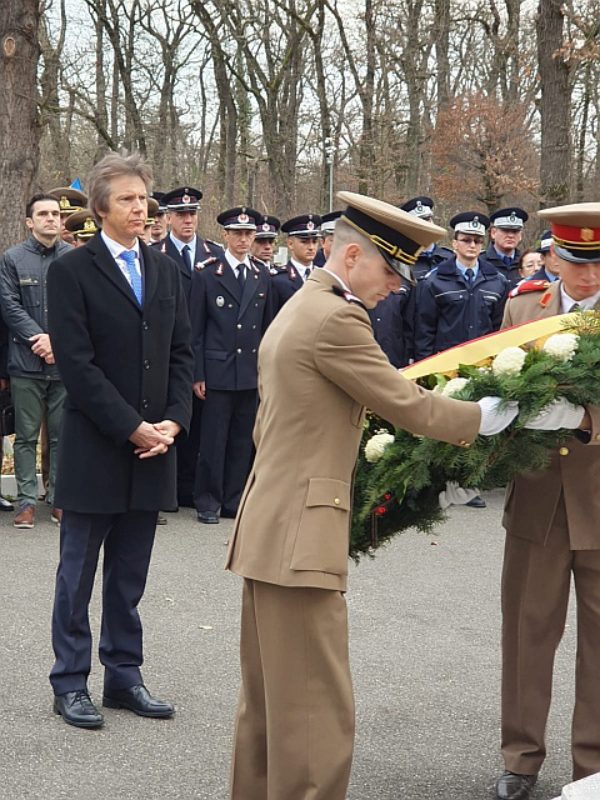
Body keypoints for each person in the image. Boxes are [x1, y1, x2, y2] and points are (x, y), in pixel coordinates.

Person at [226, 190, 519, 800]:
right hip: (300, 535)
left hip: (273, 526)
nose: (398, 287)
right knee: (314, 711)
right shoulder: (337, 316)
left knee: (271, 703)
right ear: (353, 255)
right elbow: (403, 401)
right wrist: (482, 418)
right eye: (391, 271)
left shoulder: (304, 304)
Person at [46, 153, 193, 730]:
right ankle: (70, 681)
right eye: (129, 199)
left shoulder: (163, 270)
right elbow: (77, 367)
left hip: (154, 447)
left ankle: (124, 676)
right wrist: (132, 426)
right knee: (77, 573)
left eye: (143, 199)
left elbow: (181, 353)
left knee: (130, 574)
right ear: (101, 207)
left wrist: (174, 424)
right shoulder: (72, 271)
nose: (141, 208)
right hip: (99, 445)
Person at [495, 202, 600, 800]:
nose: (585, 278)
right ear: (555, 254)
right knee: (526, 633)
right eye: (575, 262)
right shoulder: (524, 304)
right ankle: (520, 757)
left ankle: (593, 767)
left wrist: (586, 416)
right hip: (537, 496)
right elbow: (495, 383)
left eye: (597, 265)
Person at [191, 206, 274, 525]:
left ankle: (233, 498)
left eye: (248, 234)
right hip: (217, 370)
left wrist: (266, 372)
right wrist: (198, 373)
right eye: (237, 234)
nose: (243, 239)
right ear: (225, 236)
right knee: (213, 440)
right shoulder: (208, 273)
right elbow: (195, 330)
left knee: (242, 439)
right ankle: (208, 500)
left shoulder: (261, 273)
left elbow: (267, 331)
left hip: (249, 370)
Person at [0, 193, 71, 529]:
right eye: (43, 214)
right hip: (25, 362)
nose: (50, 219)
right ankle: (27, 501)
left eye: (55, 214)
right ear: (29, 222)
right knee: (26, 436)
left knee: (61, 435)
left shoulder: (73, 259)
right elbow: (9, 306)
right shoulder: (12, 259)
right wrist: (40, 339)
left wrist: (57, 340)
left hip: (64, 363)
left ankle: (59, 499)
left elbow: (79, 308)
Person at [153, 186, 221, 507]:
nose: (187, 220)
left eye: (192, 213)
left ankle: (193, 486)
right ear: (168, 218)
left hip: (205, 351)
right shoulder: (155, 254)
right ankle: (170, 489)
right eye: (180, 214)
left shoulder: (215, 254)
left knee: (202, 424)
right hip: (167, 352)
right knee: (171, 415)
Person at [413, 211, 509, 361]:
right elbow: (424, 330)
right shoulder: (434, 281)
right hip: (446, 362)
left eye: (477, 241)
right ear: (454, 243)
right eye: (466, 240)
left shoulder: (497, 281)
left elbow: (499, 327)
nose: (472, 245)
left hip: (483, 362)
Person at [270, 213, 322, 312]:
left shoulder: (322, 276)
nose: (311, 247)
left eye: (314, 241)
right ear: (290, 244)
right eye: (304, 242)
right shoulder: (278, 280)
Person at [400, 196, 453, 280]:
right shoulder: (402, 262)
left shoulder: (450, 258)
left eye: (427, 219)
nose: (425, 226)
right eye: (419, 222)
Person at [481, 207, 529, 287]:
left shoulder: (526, 262)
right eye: (505, 230)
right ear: (493, 233)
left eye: (515, 231)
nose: (510, 235)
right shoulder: (480, 262)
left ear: (520, 235)